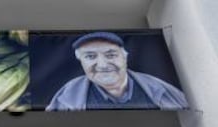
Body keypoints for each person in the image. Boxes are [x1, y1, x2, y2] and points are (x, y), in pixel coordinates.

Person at [46, 31, 189, 110]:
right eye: (90, 56)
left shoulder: (158, 88)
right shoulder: (67, 96)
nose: (102, 65)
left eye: (110, 55)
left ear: (124, 57)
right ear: (81, 61)